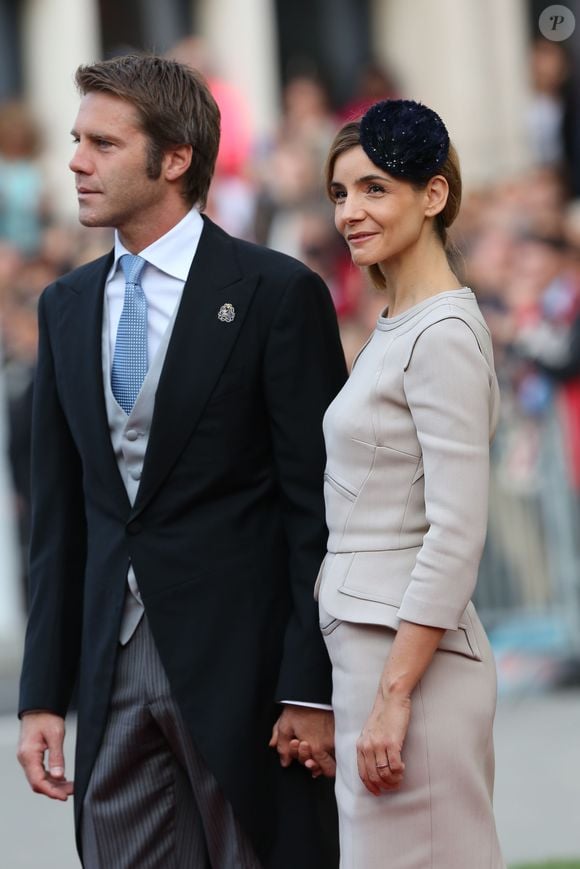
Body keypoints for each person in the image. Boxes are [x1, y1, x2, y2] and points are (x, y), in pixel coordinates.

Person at [17, 54, 347, 869]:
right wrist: (40, 697)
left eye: (103, 143)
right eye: (75, 140)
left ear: (174, 159)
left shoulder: (277, 294)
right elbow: (60, 522)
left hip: (249, 678)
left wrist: (312, 686)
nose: (76, 162)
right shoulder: (62, 307)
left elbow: (323, 509)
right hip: (110, 673)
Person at [313, 100, 505, 867]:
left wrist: (394, 695)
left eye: (373, 189)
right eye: (338, 194)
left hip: (411, 667)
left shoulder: (444, 333)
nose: (350, 213)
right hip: (379, 655)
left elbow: (456, 530)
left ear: (433, 195)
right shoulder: (402, 322)